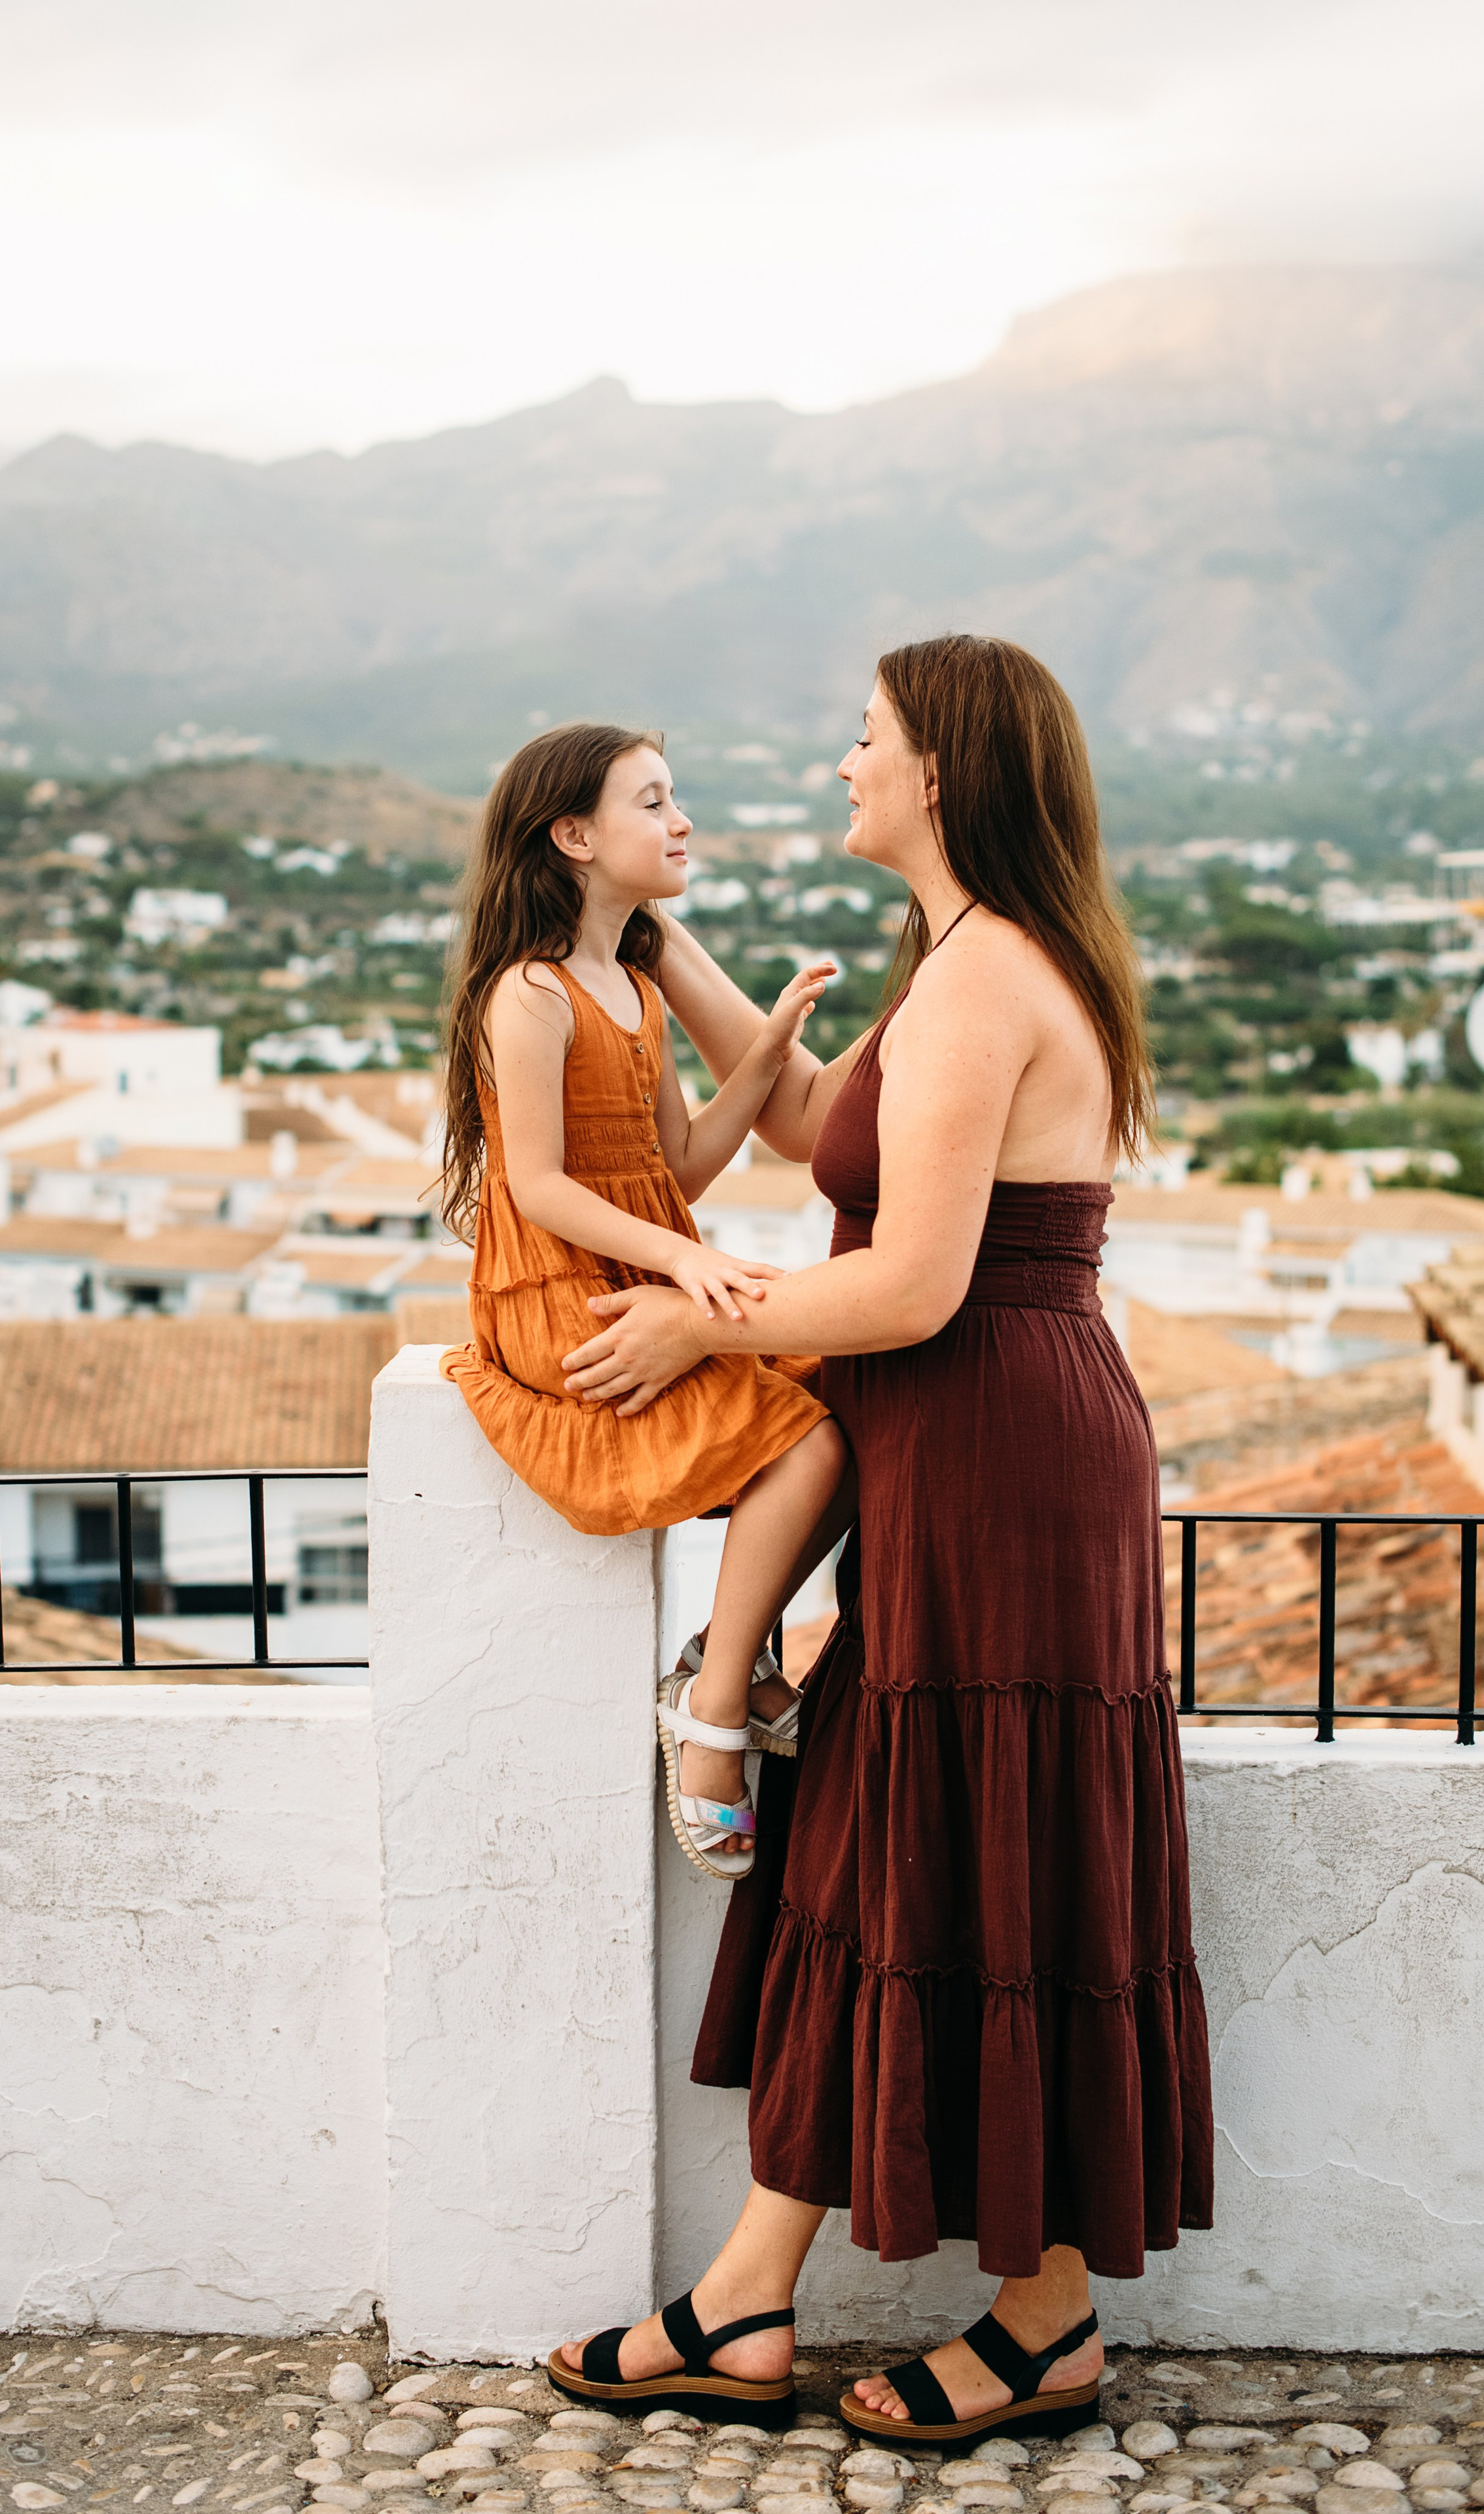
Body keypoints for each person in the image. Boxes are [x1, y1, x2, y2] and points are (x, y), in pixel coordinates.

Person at [545, 636, 1213, 2441]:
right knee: (882, 1848)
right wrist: (648, 930)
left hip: (999, 1454)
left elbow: (909, 1284)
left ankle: (1050, 2318)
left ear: (943, 775)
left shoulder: (991, 976)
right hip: (978, 1451)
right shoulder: (968, 964)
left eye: (869, 741)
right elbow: (828, 1126)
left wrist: (705, 1318)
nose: (846, 763)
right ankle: (751, 2301)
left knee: (976, 1856)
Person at [439, 722, 850, 1882]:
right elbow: (538, 1187)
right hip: (561, 1293)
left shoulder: (630, 987)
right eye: (655, 804)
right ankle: (715, 1712)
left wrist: (766, 1050)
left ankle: (735, 1647)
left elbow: (680, 1165)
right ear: (574, 836)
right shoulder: (527, 994)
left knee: (847, 1380)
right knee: (807, 1447)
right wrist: (679, 1268)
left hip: (636, 1267)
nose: (682, 825)